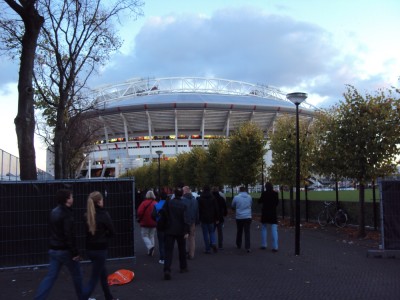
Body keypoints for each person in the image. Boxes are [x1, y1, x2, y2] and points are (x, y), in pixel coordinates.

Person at [34, 189, 83, 300]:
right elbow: (68, 235)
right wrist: (75, 253)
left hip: (53, 249)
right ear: (67, 200)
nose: (73, 198)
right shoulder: (67, 214)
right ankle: (82, 297)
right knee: (77, 274)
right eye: (71, 197)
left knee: (50, 277)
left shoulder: (54, 211)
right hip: (65, 250)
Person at [82, 191, 116, 300]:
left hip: (90, 249)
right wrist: (105, 235)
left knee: (102, 273)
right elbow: (112, 232)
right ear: (99, 202)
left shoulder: (87, 215)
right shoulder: (104, 214)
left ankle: (109, 297)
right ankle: (83, 297)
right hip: (101, 249)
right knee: (95, 278)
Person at [163, 187, 190, 280]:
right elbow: (186, 219)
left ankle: (167, 269)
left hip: (169, 229)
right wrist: (186, 231)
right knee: (182, 249)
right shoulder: (183, 205)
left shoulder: (169, 202)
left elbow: (164, 213)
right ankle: (183, 267)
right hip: (180, 230)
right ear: (182, 194)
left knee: (168, 251)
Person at [198, 185, 220, 254]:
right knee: (212, 232)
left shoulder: (200, 198)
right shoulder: (212, 198)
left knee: (205, 234)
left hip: (204, 218)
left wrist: (199, 218)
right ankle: (213, 242)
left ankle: (207, 249)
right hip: (211, 217)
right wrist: (217, 218)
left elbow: (199, 209)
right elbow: (216, 209)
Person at [258, 182, 279, 252]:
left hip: (265, 212)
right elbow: (277, 203)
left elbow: (259, 201)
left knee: (264, 228)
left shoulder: (264, 193)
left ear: (265, 187)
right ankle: (275, 247)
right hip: (273, 212)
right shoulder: (275, 194)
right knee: (274, 229)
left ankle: (263, 244)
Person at [231, 186, 253, 253]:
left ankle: (238, 244)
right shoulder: (249, 197)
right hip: (248, 216)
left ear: (239, 190)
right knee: (247, 232)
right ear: (245, 190)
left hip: (239, 217)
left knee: (239, 231)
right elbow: (251, 204)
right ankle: (248, 247)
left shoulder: (236, 197)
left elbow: (232, 205)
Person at [137, 190, 157, 256]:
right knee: (151, 236)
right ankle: (151, 251)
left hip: (145, 222)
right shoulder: (156, 203)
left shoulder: (144, 203)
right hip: (154, 222)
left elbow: (139, 212)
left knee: (144, 235)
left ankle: (150, 247)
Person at [181, 186, 199, 259]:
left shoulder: (182, 200)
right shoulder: (194, 200)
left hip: (184, 222)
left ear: (184, 191)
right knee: (192, 238)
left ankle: (184, 252)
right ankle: (191, 254)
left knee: (183, 237)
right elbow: (197, 211)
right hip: (192, 221)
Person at [152, 191, 168, 264]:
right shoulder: (169, 204)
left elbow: (153, 215)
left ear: (160, 197)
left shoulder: (157, 205)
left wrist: (157, 219)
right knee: (167, 242)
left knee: (161, 242)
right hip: (168, 225)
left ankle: (162, 258)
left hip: (160, 225)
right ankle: (168, 256)